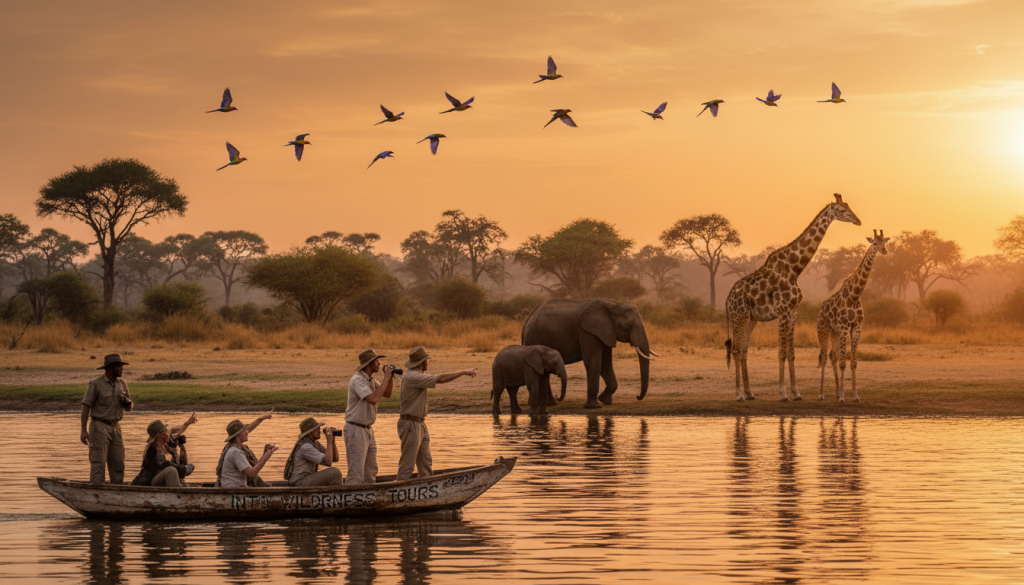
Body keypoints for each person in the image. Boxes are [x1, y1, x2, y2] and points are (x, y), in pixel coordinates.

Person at [397, 346, 477, 480]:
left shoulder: (416, 375)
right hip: (410, 424)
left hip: (419, 424)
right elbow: (440, 378)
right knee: (407, 465)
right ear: (422, 362)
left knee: (425, 463)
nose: (428, 361)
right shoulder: (413, 376)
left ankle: (426, 488)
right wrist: (463, 372)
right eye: (427, 359)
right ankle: (398, 490)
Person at [80, 353, 134, 484]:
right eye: (119, 366)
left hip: (116, 427)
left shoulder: (122, 384)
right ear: (110, 368)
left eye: (122, 366)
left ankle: (116, 494)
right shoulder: (95, 384)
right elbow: (86, 406)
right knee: (98, 463)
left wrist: (128, 404)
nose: (122, 369)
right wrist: (83, 431)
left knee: (118, 464)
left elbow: (129, 407)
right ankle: (96, 493)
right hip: (99, 426)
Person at [345, 348, 394, 484]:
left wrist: (390, 379)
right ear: (368, 364)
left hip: (367, 430)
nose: (379, 363)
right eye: (376, 361)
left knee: (371, 471)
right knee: (356, 472)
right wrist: (385, 378)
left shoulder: (370, 380)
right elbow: (373, 398)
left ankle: (368, 500)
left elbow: (387, 394)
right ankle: (352, 500)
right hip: (356, 429)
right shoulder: (358, 380)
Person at [214, 410, 276, 487]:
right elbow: (252, 473)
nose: (247, 432)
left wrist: (262, 418)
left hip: (236, 488)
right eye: (244, 430)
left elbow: (250, 428)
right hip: (233, 490)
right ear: (237, 435)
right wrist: (266, 456)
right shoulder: (235, 452)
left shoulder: (236, 448)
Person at [130, 420, 194, 487]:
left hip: (158, 478)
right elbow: (165, 464)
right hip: (150, 482)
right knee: (171, 470)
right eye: (165, 431)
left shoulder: (165, 446)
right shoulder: (153, 448)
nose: (167, 433)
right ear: (159, 435)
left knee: (181, 481)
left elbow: (177, 433)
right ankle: (176, 495)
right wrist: (184, 469)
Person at [284, 417, 343, 486]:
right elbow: (328, 462)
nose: (319, 430)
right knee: (335, 472)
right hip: (299, 482)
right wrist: (328, 441)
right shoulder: (305, 447)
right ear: (310, 432)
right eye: (317, 429)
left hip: (306, 479)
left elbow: (334, 458)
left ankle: (336, 495)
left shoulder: (315, 444)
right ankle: (338, 495)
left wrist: (332, 441)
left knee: (335, 474)